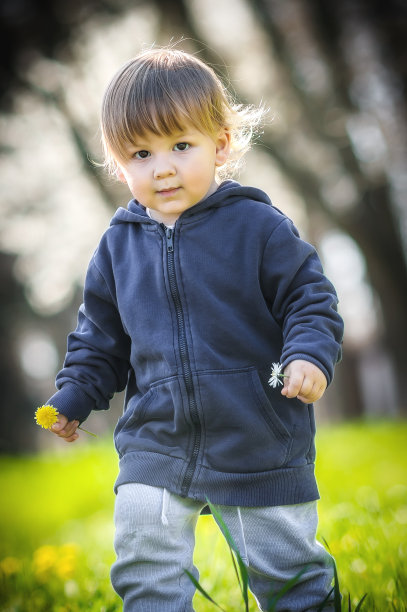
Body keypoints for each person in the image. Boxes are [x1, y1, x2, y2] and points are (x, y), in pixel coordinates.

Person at [43, 47, 344, 611]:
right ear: (118, 163)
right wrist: (75, 395)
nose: (162, 168)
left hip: (255, 432)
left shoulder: (258, 226)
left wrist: (308, 355)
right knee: (144, 561)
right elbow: (99, 341)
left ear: (220, 144)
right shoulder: (116, 248)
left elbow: (311, 299)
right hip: (156, 438)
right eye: (141, 153)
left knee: (287, 574)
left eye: (182, 146)